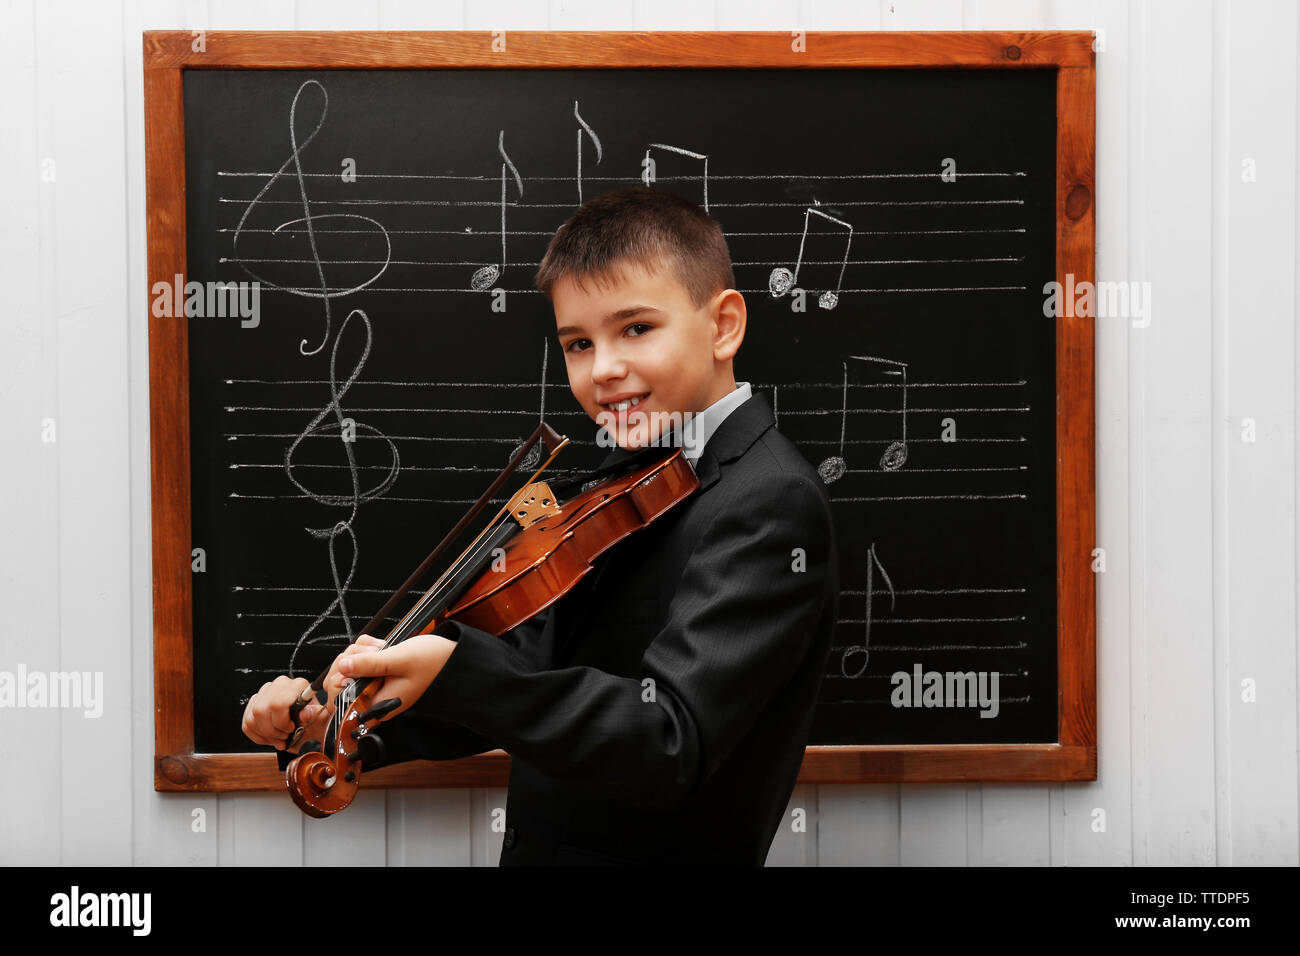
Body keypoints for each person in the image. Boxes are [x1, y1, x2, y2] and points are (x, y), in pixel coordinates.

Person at [242, 185, 839, 865]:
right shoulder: (625, 476)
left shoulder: (769, 502)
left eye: (636, 328)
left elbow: (669, 742)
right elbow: (522, 675)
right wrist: (344, 724)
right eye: (578, 343)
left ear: (724, 325)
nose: (604, 370)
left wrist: (461, 670)